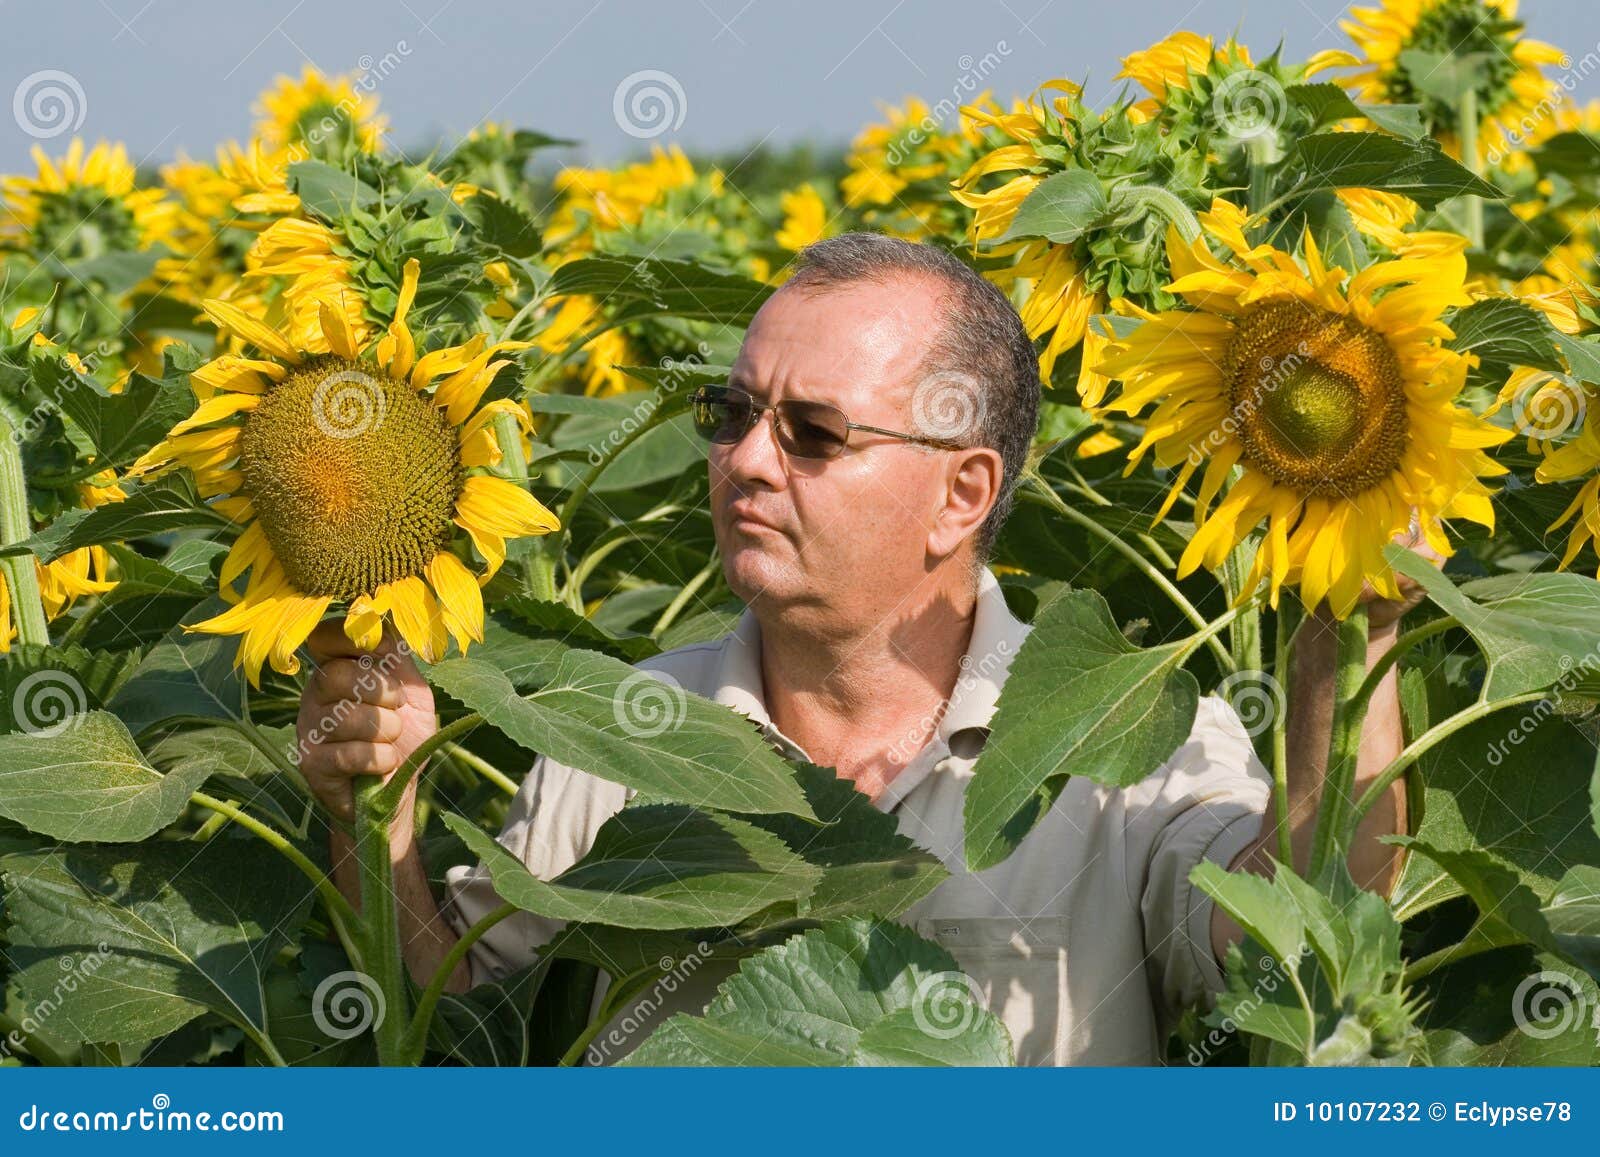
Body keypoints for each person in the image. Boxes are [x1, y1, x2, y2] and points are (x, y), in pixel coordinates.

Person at [295, 232, 1417, 1065]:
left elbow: (1298, 942)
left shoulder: (1119, 738)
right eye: (731, 415)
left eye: (813, 434)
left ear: (959, 492)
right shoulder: (623, 730)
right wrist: (374, 817)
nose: (745, 460)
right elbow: (453, 1020)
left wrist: (1348, 634)